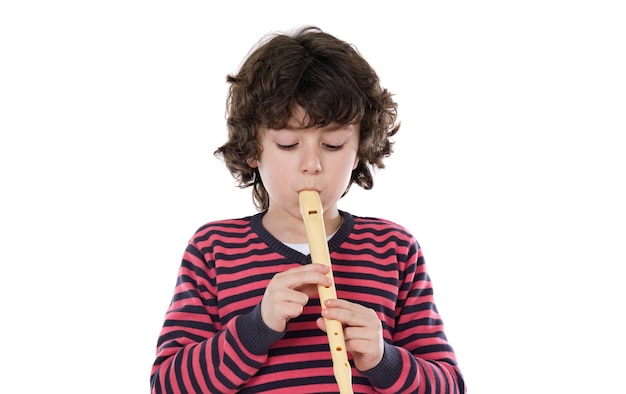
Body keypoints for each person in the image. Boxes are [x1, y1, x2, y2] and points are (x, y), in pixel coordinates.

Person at [150, 25, 466, 393]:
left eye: (332, 144)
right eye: (288, 144)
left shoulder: (392, 248)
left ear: (360, 148)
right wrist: (256, 327)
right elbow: (168, 385)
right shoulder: (214, 248)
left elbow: (448, 386)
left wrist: (384, 360)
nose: (312, 164)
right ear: (253, 150)